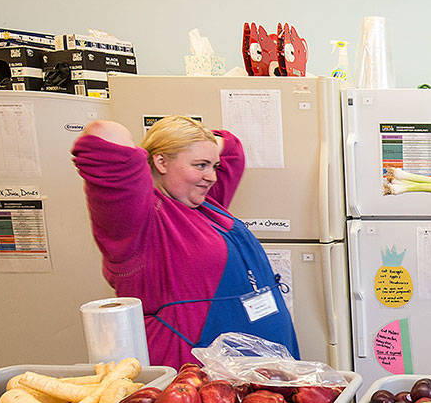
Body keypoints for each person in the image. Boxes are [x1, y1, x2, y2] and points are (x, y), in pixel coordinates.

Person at [72, 116, 299, 368]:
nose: (212, 176)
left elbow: (232, 150)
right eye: (200, 165)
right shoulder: (137, 219)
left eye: (213, 166)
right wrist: (172, 138)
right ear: (160, 162)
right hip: (194, 374)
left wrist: (194, 138)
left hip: (255, 369)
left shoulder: (203, 203)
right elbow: (103, 132)